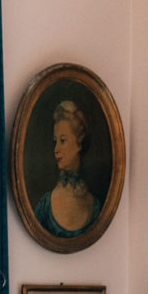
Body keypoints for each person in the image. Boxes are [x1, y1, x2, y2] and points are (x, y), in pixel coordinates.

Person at [34, 100, 101, 238]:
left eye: (63, 140)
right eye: (55, 141)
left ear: (79, 143)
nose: (56, 149)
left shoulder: (95, 207)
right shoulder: (44, 206)